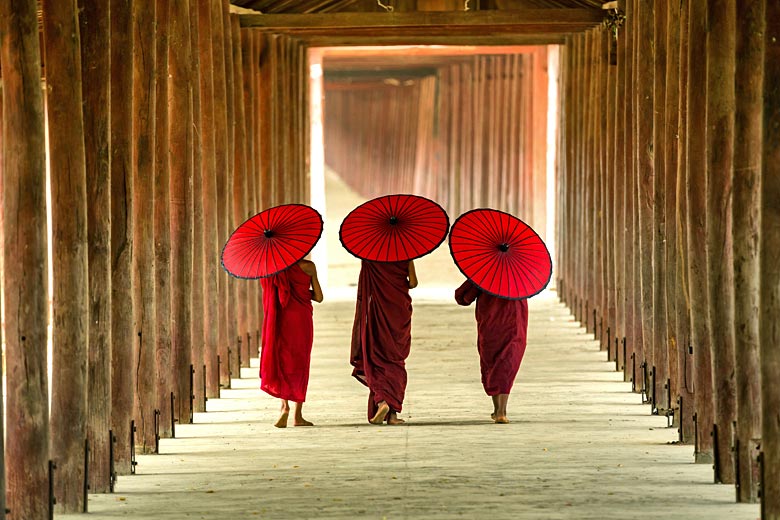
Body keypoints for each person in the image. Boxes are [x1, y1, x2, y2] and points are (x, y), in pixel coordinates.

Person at [350, 259, 418, 425]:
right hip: (399, 310)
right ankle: (392, 414)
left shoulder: (369, 259)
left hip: (378, 312)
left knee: (376, 357)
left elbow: (366, 285)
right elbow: (414, 283)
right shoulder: (406, 256)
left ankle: (382, 402)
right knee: (395, 359)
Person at [259, 258, 323, 428]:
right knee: (300, 363)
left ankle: (284, 407)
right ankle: (298, 415)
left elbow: (270, 294)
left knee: (283, 361)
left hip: (280, 319)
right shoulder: (309, 267)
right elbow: (319, 297)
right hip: (301, 318)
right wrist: (301, 293)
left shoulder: (271, 270)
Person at [454, 279, 529, 424]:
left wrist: (477, 281)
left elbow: (463, 297)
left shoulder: (485, 274)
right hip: (515, 323)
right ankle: (501, 411)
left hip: (491, 323)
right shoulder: (521, 276)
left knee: (493, 362)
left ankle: (498, 410)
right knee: (508, 362)